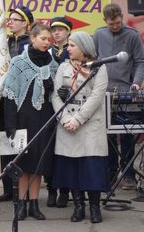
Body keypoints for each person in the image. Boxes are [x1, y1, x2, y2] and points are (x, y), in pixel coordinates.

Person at [2, 22, 58, 221]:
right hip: (23, 118)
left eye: (49, 40)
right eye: (43, 38)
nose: (46, 42)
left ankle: (34, 204)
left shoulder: (52, 63)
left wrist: (53, 85)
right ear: (32, 38)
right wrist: (10, 125)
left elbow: (55, 93)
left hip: (44, 118)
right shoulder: (19, 62)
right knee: (23, 163)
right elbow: (9, 94)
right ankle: (21, 204)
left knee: (38, 164)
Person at [52, 31, 109, 224]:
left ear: (84, 48)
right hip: (67, 123)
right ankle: (78, 206)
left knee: (91, 167)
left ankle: (94, 206)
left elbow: (97, 96)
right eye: (68, 45)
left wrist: (78, 119)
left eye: (72, 45)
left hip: (90, 123)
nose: (68, 49)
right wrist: (66, 118)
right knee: (72, 167)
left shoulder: (99, 68)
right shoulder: (62, 68)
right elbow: (55, 96)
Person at [93, 3, 144, 190]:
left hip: (125, 91)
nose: (115, 26)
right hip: (102, 92)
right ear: (105, 21)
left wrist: (136, 82)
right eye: (111, 24)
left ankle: (129, 174)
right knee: (105, 135)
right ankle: (110, 172)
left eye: (117, 22)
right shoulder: (99, 34)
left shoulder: (132, 35)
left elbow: (141, 62)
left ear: (121, 17)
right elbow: (93, 60)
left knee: (127, 135)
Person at [0, 5, 34, 202]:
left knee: (22, 144)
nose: (10, 22)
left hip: (24, 100)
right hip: (5, 99)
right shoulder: (4, 42)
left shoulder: (30, 43)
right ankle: (7, 187)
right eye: (9, 19)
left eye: (15, 19)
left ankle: (23, 188)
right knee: (6, 142)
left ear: (26, 23)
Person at [46, 16, 72, 208]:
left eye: (60, 29)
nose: (56, 33)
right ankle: (51, 190)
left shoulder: (73, 51)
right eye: (54, 30)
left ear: (68, 32)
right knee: (50, 150)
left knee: (65, 151)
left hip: (70, 106)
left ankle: (65, 191)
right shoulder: (47, 52)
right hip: (48, 105)